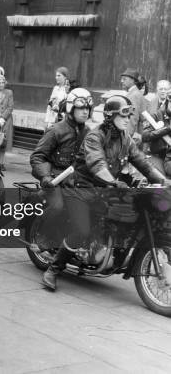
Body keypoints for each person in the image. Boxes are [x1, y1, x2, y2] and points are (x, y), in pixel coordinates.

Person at [41, 95, 171, 291]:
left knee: (125, 215)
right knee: (82, 230)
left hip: (105, 191)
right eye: (123, 115)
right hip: (81, 190)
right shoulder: (95, 136)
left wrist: (163, 181)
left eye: (129, 115)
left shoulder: (125, 138)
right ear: (110, 116)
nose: (128, 119)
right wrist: (113, 181)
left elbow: (143, 163)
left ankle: (107, 250)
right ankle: (53, 269)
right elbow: (96, 163)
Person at [30, 88, 93, 220]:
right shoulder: (56, 130)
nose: (85, 111)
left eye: (88, 108)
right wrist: (46, 177)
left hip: (76, 180)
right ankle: (43, 235)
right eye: (81, 108)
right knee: (57, 206)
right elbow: (38, 157)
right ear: (70, 108)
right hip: (55, 179)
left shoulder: (88, 132)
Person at [142, 91, 171, 176]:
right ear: (168, 102)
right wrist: (167, 129)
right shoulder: (158, 114)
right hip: (160, 156)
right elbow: (145, 136)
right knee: (159, 187)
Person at [120, 68, 146, 142]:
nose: (121, 81)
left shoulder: (134, 95)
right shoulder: (134, 93)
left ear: (133, 80)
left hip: (132, 138)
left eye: (124, 79)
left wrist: (126, 137)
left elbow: (132, 118)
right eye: (122, 79)